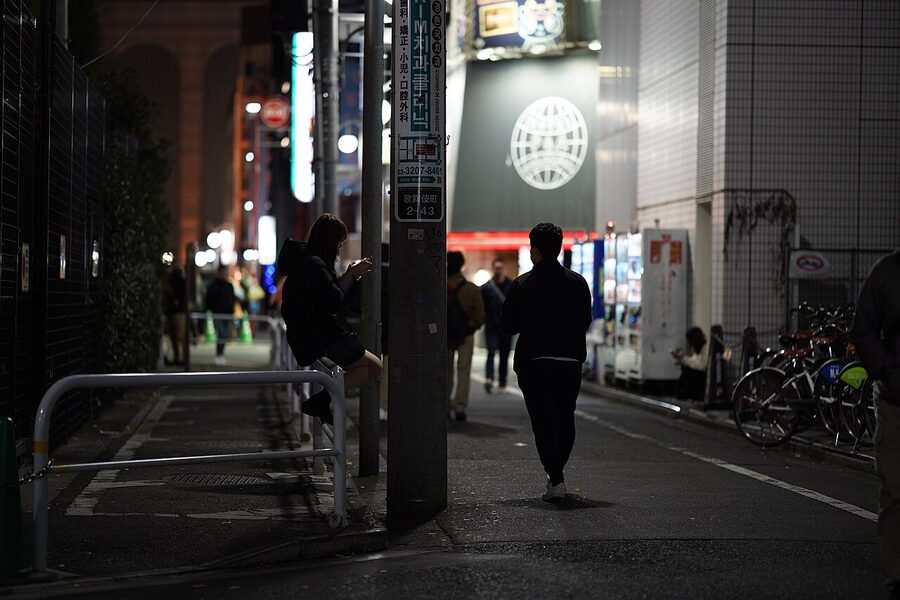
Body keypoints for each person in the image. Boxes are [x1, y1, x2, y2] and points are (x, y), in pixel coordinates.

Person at [501, 223, 591, 502]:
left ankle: (556, 477)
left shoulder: (522, 283)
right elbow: (585, 321)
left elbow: (509, 325)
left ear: (536, 250)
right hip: (569, 359)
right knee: (565, 416)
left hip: (534, 361)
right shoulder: (578, 282)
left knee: (542, 420)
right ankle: (556, 473)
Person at [278, 213, 382, 425]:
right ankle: (320, 400)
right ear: (330, 241)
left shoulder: (303, 261)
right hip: (322, 337)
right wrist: (351, 274)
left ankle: (321, 400)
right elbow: (333, 300)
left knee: (368, 366)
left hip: (308, 335)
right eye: (339, 243)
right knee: (374, 366)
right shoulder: (314, 265)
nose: (339, 248)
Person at [850, 249, 900, 600]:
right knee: (895, 486)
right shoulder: (888, 271)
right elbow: (863, 328)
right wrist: (886, 371)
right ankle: (899, 572)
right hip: (896, 398)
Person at [447, 251, 485, 421]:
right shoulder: (471, 289)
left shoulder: (439, 286)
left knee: (445, 371)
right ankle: (460, 406)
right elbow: (480, 316)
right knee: (464, 371)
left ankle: (444, 404)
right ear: (462, 265)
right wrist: (470, 327)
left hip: (445, 336)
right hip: (466, 335)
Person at [481, 258, 514, 394]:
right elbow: (481, 306)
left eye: (501, 268)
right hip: (491, 326)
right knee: (491, 352)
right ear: (493, 269)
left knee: (504, 355)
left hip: (506, 327)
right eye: (497, 268)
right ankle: (489, 378)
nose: (499, 271)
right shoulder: (487, 287)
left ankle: (502, 381)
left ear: (505, 269)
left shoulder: (512, 285)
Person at [204, 265, 236, 365]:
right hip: (217, 313)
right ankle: (219, 354)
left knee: (224, 335)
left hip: (227, 314)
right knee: (222, 333)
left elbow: (232, 299)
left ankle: (220, 353)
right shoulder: (213, 285)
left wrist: (232, 310)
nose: (225, 275)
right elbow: (208, 299)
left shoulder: (229, 285)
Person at [673, 326, 708, 402]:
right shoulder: (698, 347)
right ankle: (681, 394)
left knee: (686, 371)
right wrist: (683, 360)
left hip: (701, 375)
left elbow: (702, 366)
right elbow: (695, 360)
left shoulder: (705, 347)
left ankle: (683, 395)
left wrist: (685, 360)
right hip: (698, 374)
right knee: (685, 368)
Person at [163, 266, 186, 365]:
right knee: (180, 337)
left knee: (175, 337)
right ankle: (181, 357)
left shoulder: (171, 283)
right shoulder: (182, 283)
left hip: (173, 312)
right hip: (179, 312)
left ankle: (178, 357)